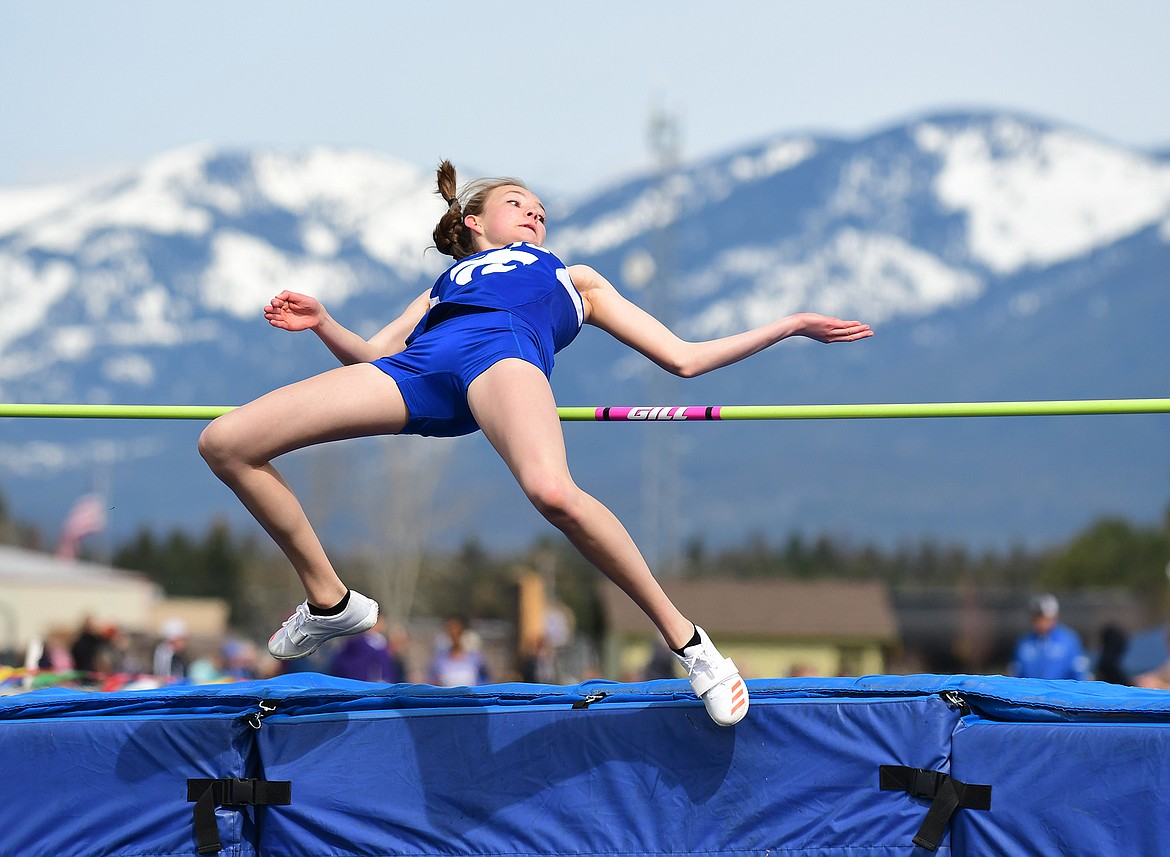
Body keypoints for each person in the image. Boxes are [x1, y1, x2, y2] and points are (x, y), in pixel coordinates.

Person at [198, 160, 873, 727]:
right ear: (472, 221)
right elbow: (371, 355)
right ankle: (332, 600)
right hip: (419, 371)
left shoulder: (572, 277)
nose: (535, 215)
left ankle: (692, 644)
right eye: (519, 204)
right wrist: (325, 322)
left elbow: (684, 359)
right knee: (227, 441)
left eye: (542, 210)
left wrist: (788, 325)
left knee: (553, 492)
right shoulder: (441, 284)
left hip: (502, 358)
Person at [1009, 593, 1090, 681]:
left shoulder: (1068, 640)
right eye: (1036, 617)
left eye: (1042, 617)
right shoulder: (1025, 642)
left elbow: (1080, 673)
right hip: (1031, 694)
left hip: (1061, 693)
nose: (1039, 621)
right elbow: (1017, 674)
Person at [428, 615, 490, 687]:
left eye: (457, 633)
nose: (454, 637)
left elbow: (485, 682)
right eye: (450, 633)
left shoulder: (476, 659)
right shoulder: (439, 660)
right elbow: (431, 682)